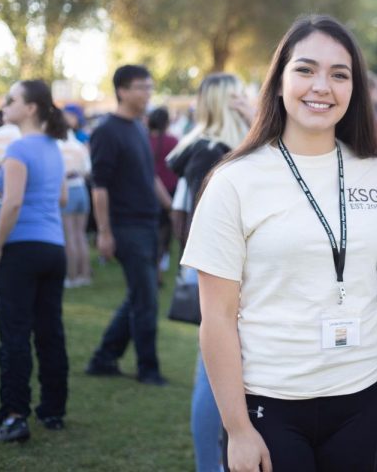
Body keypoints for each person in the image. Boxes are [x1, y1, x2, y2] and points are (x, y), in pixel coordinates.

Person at [181, 15, 377, 472]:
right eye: (305, 69)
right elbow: (217, 319)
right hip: (271, 402)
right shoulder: (234, 181)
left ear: (354, 90)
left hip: (364, 395)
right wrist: (238, 430)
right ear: (279, 81)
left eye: (339, 75)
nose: (321, 86)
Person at [166, 72, 251, 472]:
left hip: (232, 271)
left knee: (223, 367)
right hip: (222, 272)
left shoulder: (222, 147)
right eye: (239, 95)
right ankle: (209, 465)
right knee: (214, 370)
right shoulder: (210, 152)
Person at [0, 80, 70, 443]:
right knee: (50, 331)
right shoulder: (55, 147)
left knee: (15, 334)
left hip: (21, 249)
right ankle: (53, 409)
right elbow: (62, 198)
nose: (5, 105)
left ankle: (14, 415)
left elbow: (14, 204)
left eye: (12, 100)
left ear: (32, 108)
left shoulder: (19, 148)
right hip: (53, 249)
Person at [85, 65, 171, 386]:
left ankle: (103, 358)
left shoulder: (138, 127)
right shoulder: (107, 131)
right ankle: (148, 369)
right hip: (125, 226)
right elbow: (100, 186)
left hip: (148, 223)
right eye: (141, 88)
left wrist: (172, 210)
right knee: (146, 299)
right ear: (122, 90)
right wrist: (105, 232)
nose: (147, 93)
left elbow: (149, 177)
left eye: (150, 87)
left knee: (139, 295)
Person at [57, 128, 92, 288]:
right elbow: (87, 170)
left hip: (67, 190)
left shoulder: (56, 146)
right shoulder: (79, 146)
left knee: (69, 236)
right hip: (81, 190)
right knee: (81, 235)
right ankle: (84, 274)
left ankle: (71, 276)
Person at [148, 106, 179, 285]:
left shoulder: (144, 140)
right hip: (170, 191)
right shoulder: (172, 141)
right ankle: (160, 266)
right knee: (164, 234)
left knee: (153, 234)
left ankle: (156, 270)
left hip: (150, 192)